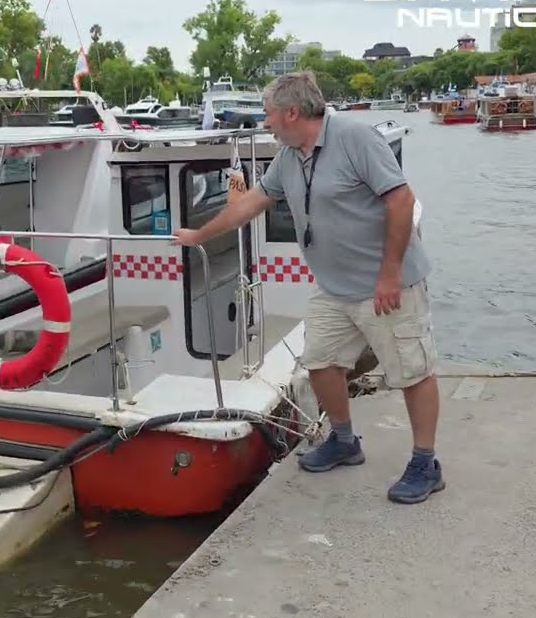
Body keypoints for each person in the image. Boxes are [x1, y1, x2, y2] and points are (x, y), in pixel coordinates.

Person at [173, 71, 443, 504]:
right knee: (319, 364)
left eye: (268, 115)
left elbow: (401, 200)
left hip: (387, 285)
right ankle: (344, 441)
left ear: (291, 112)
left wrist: (389, 274)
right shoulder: (288, 158)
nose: (266, 122)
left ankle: (426, 463)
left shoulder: (356, 139)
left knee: (413, 373)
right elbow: (251, 204)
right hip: (334, 288)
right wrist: (199, 236)